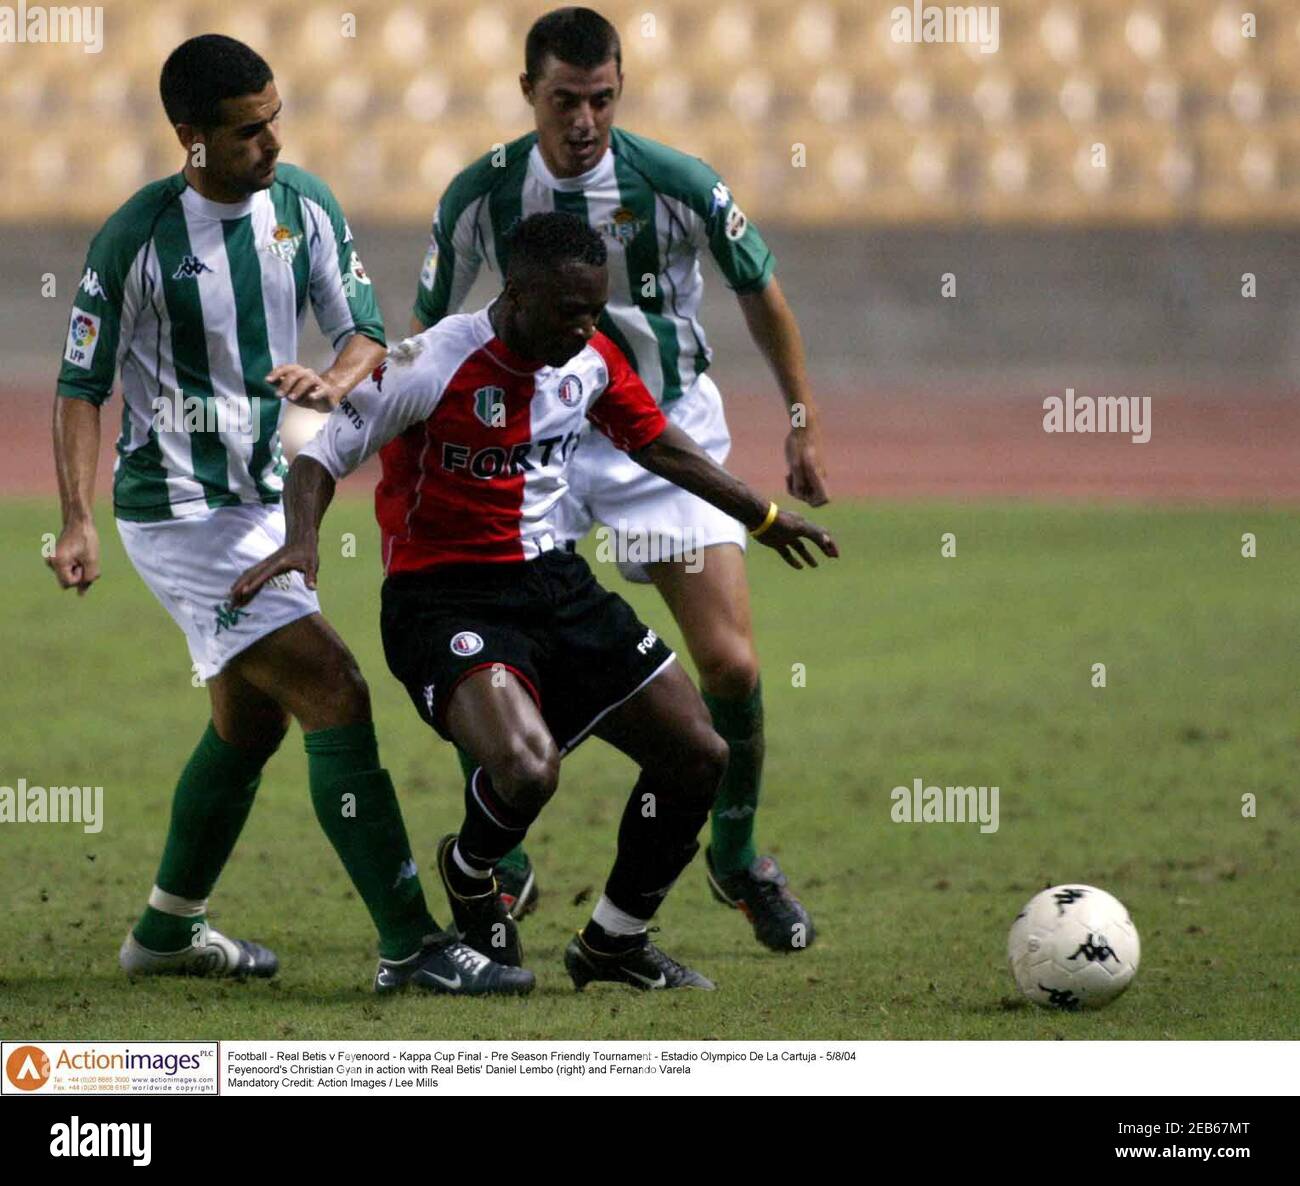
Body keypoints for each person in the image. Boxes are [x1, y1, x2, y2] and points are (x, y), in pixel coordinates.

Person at [232, 212, 837, 989]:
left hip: (554, 583)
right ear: (516, 293)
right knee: (527, 769)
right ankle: (470, 866)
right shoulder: (429, 361)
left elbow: (655, 441)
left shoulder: (587, 357)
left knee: (699, 755)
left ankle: (614, 942)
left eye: (595, 310)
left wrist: (760, 517)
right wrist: (303, 540)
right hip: (442, 598)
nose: (584, 329)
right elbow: (321, 454)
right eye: (568, 312)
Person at [48, 33, 530, 997]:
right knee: (334, 686)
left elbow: (361, 332)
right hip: (178, 515)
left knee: (250, 721)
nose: (272, 143)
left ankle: (165, 929)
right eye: (247, 130)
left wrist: (335, 375)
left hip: (264, 504)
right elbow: (80, 384)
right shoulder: (134, 241)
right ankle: (411, 945)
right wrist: (76, 518)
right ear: (189, 138)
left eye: (277, 119)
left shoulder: (302, 207)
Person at [410, 6, 830, 951]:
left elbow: (759, 287)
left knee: (730, 666)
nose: (584, 121)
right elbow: (426, 330)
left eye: (602, 99)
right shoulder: (480, 194)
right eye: (565, 100)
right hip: (535, 441)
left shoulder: (675, 184)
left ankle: (736, 851)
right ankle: (501, 863)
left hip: (661, 435)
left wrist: (800, 418)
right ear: (529, 94)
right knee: (503, 654)